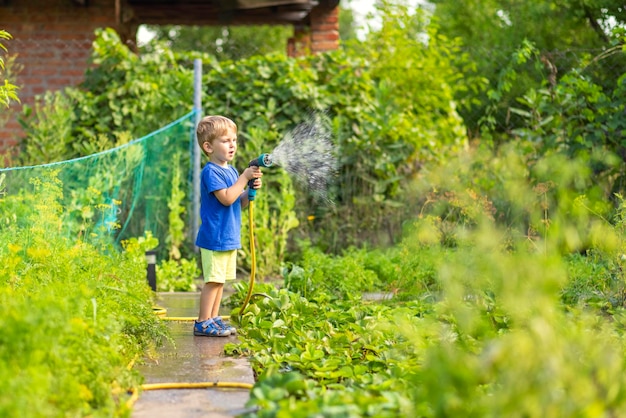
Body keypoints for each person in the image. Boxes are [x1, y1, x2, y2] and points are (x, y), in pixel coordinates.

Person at [193, 115, 263, 337]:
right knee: (213, 281)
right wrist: (244, 177)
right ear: (208, 147)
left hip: (228, 236)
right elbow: (225, 198)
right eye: (225, 141)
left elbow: (236, 202)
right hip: (215, 237)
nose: (232, 145)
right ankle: (202, 322)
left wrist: (249, 191)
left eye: (234, 140)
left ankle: (213, 319)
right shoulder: (211, 172)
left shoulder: (231, 171)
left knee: (220, 282)